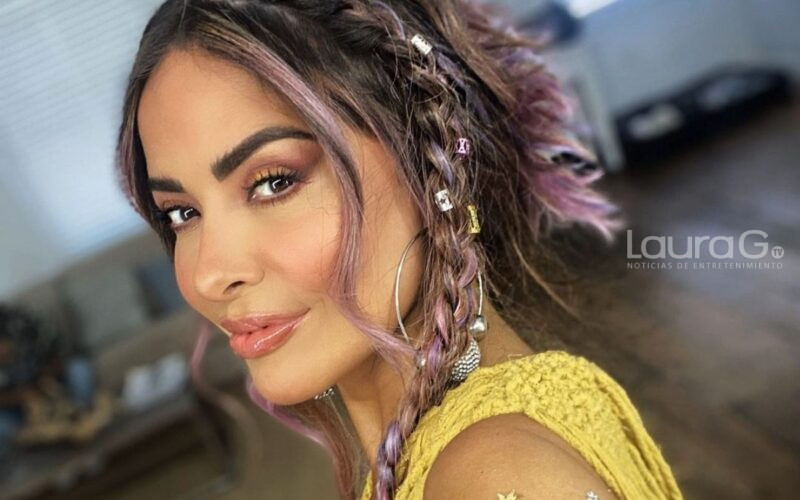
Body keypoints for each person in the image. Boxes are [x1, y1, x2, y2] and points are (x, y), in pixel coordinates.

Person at [115, 1, 683, 498]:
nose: (210, 274)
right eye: (181, 213)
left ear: (429, 160)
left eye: (274, 182)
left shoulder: (495, 475)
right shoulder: (461, 447)